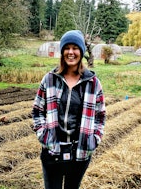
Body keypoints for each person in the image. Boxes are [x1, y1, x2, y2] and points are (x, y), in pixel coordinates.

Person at [32, 30, 106, 189]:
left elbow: (100, 116)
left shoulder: (93, 83)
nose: (71, 52)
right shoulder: (50, 79)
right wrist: (43, 135)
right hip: (53, 150)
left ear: (81, 52)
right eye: (67, 48)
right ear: (62, 52)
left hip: (80, 152)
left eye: (75, 48)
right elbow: (37, 111)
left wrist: (94, 139)